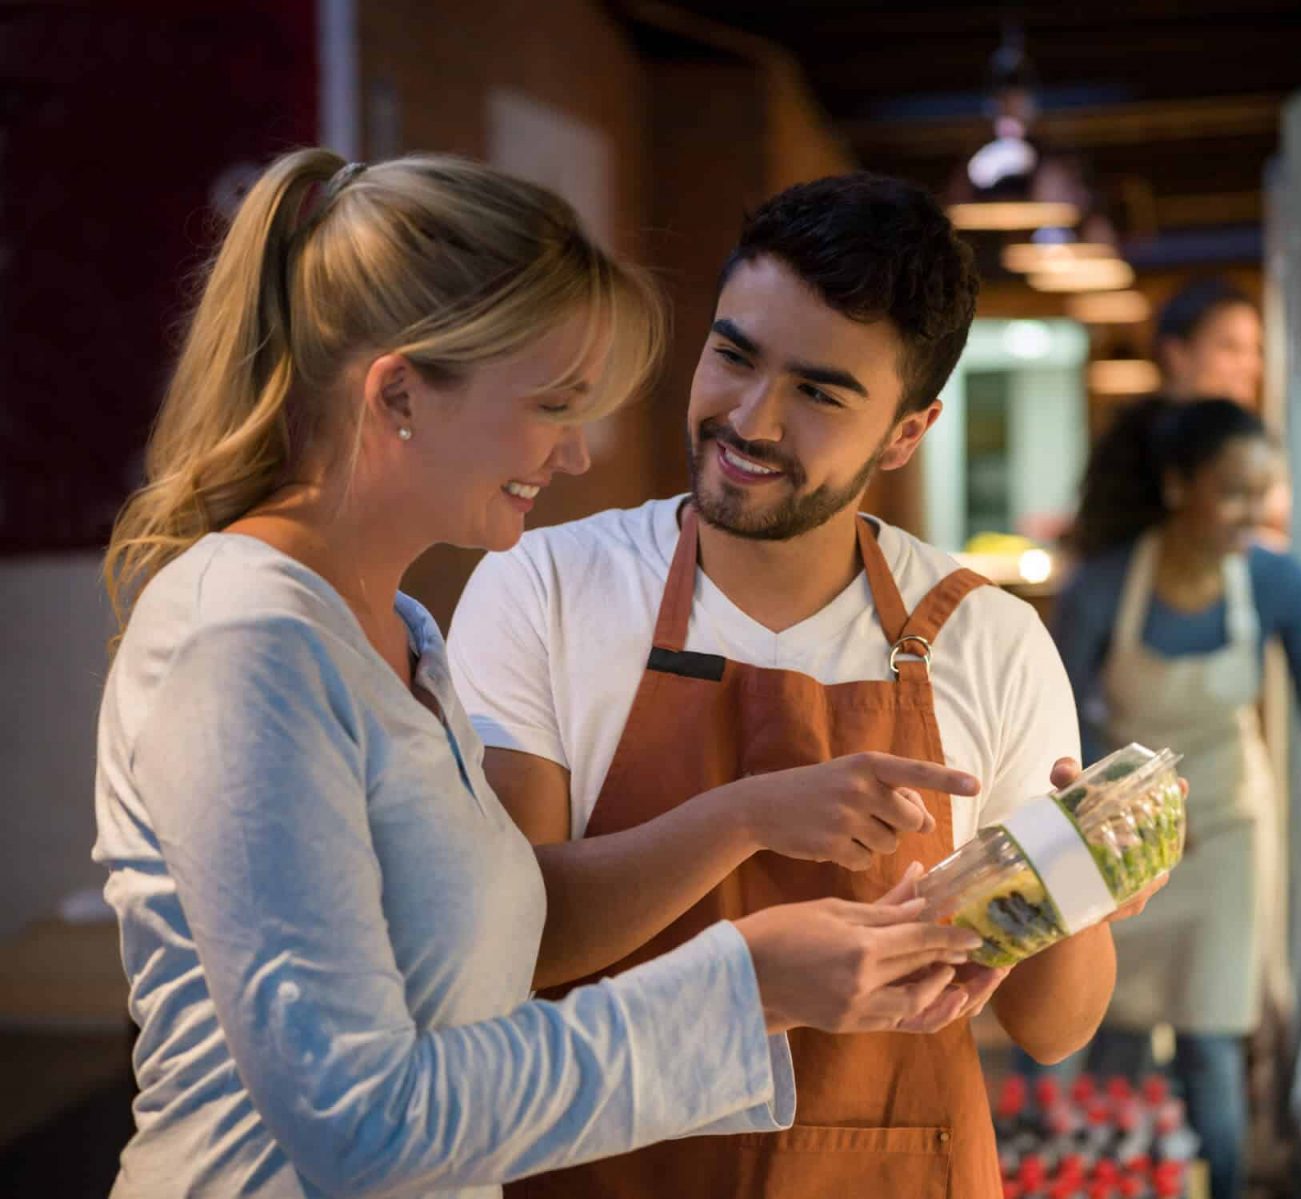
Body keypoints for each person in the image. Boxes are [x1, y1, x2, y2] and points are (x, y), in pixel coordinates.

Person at [92, 149, 993, 1198]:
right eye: (553, 404)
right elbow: (365, 1122)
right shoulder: (245, 644)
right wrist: (741, 987)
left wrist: (750, 831)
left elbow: (491, 956)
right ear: (400, 395)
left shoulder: (398, 634)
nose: (573, 453)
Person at [446, 173, 1162, 1199]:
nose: (750, 418)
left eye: (819, 392)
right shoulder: (547, 584)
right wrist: (745, 815)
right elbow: (510, 943)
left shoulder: (988, 639)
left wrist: (1082, 873)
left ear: (907, 431)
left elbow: (1052, 1027)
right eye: (733, 354)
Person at [1051, 398, 1301, 1199]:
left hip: (1229, 835)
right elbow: (1060, 728)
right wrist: (1116, 828)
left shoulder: (1276, 583)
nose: (1255, 512)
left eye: (1264, 491)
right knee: (1110, 1031)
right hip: (1115, 839)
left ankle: (1226, 1184)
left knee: (1213, 1040)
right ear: (1178, 485)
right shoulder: (1103, 586)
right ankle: (1113, 1180)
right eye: (1235, 491)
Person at [1071, 278, 1265, 559]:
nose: (1250, 365)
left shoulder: (1247, 438)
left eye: (1255, 349)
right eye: (1230, 348)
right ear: (1176, 354)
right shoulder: (1134, 447)